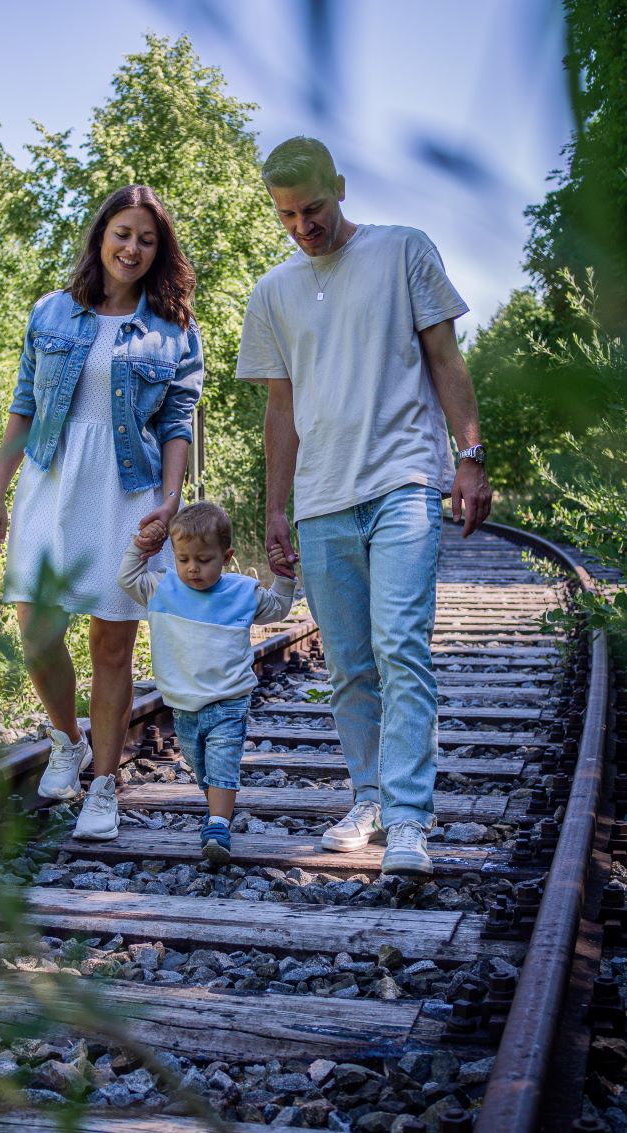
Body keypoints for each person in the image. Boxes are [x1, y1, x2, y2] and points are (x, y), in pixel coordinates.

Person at [236, 137, 492, 877]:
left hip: (404, 480)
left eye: (313, 208)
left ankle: (409, 818)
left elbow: (446, 360)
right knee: (348, 663)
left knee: (400, 647)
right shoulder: (272, 292)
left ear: (340, 187)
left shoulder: (403, 249)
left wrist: (470, 455)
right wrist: (275, 508)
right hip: (322, 499)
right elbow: (280, 410)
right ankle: (370, 797)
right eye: (287, 215)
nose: (303, 226)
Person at [0, 185, 203, 841]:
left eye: (147, 239)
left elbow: (177, 423)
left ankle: (103, 786)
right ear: (101, 235)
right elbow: (24, 405)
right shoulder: (51, 311)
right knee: (36, 628)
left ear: (159, 251)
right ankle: (65, 738)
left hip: (128, 490)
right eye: (123, 233)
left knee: (111, 643)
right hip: (50, 480)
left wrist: (170, 498)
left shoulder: (174, 329)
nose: (132, 248)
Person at [118, 501, 295, 863]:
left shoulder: (242, 592)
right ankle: (217, 814)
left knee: (222, 764)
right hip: (183, 704)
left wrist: (284, 575)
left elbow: (277, 607)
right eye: (183, 559)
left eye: (203, 559)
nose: (192, 568)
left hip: (229, 699)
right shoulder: (163, 587)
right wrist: (139, 547)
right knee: (201, 766)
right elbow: (127, 579)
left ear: (226, 557)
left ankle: (217, 825)